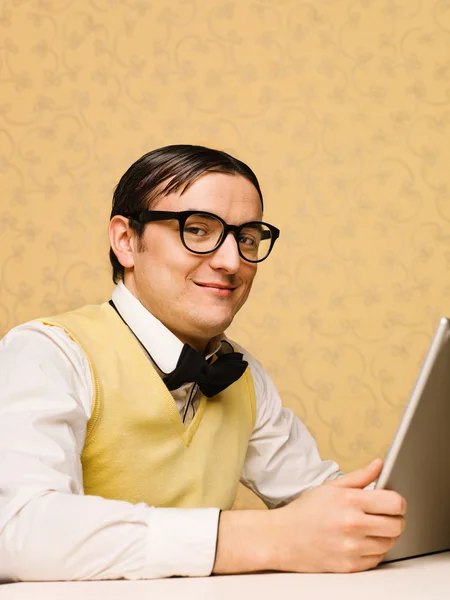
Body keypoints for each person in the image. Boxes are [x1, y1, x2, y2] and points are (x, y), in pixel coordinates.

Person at [0, 145, 406, 582]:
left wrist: (379, 514)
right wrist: (260, 538)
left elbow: (317, 499)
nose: (232, 262)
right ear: (125, 241)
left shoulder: (242, 374)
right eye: (197, 229)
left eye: (246, 237)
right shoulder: (46, 353)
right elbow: (16, 531)